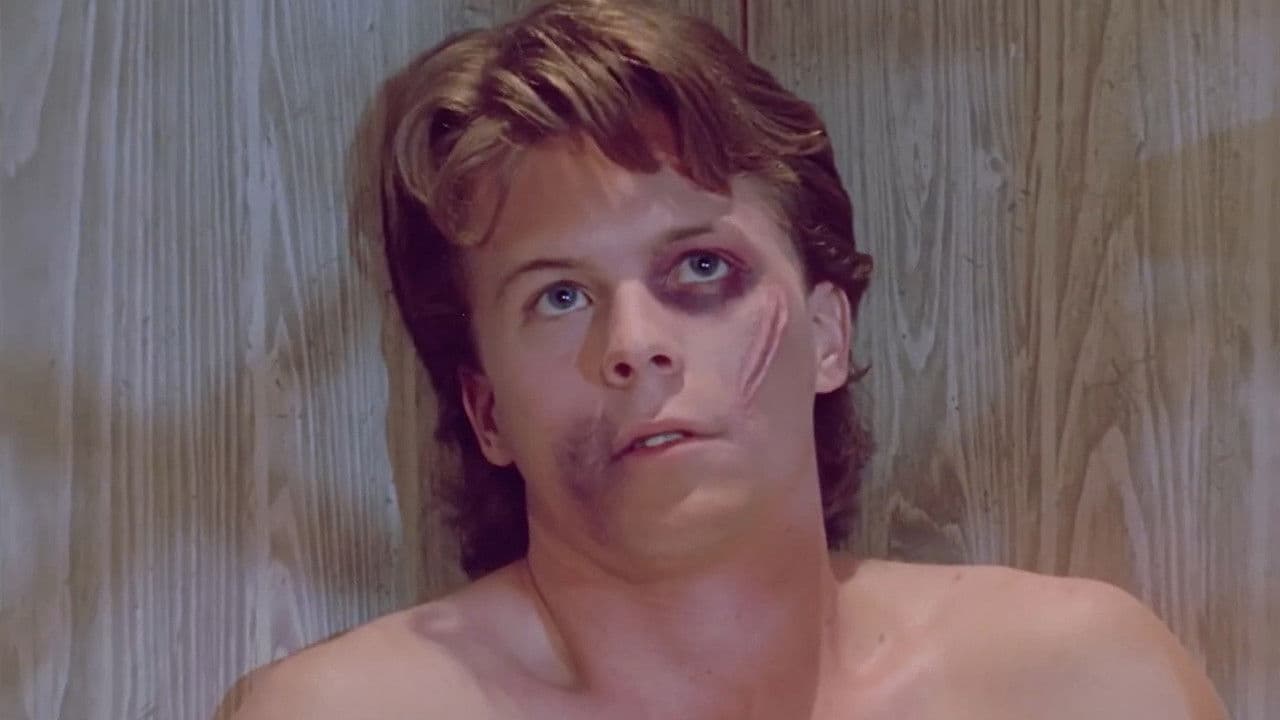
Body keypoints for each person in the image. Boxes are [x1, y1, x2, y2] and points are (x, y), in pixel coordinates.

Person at [222, 1, 1227, 717]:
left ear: (828, 335)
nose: (633, 344)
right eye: (559, 296)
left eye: (701, 268)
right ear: (487, 413)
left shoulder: (1081, 685)